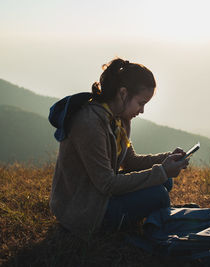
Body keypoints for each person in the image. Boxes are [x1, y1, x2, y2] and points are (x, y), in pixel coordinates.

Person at [48, 58, 189, 239]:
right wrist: (162, 170)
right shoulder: (90, 123)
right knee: (159, 195)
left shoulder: (117, 118)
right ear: (123, 93)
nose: (142, 110)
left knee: (164, 181)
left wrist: (167, 159)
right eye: (141, 103)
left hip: (98, 193)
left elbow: (130, 162)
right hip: (83, 210)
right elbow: (107, 183)